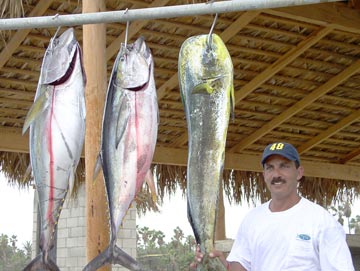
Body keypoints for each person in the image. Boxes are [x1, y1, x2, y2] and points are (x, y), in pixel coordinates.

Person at [191, 142, 355, 271]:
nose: (277, 174)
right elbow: (241, 267)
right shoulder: (252, 219)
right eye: (270, 167)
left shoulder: (321, 221)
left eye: (284, 166)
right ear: (264, 175)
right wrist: (221, 265)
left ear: (299, 172)